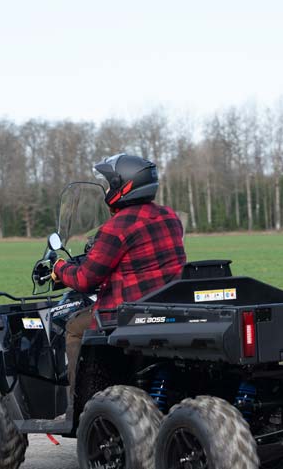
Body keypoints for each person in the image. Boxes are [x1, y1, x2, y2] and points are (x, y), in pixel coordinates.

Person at [51, 153, 186, 416]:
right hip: (166, 305)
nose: (107, 189)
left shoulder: (118, 226)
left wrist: (58, 268)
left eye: (109, 183)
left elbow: (85, 279)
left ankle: (79, 403)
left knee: (74, 327)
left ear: (122, 186)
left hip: (126, 313)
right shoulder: (169, 216)